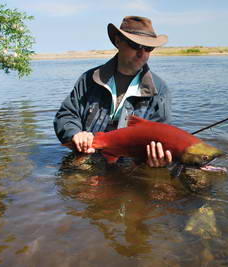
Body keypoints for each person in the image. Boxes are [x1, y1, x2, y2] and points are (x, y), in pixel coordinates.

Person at [54, 16, 172, 167]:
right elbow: (66, 115)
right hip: (86, 160)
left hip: (130, 168)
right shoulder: (88, 79)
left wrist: (159, 159)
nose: (142, 53)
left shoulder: (160, 90)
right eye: (135, 45)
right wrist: (75, 134)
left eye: (148, 48)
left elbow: (162, 134)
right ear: (118, 41)